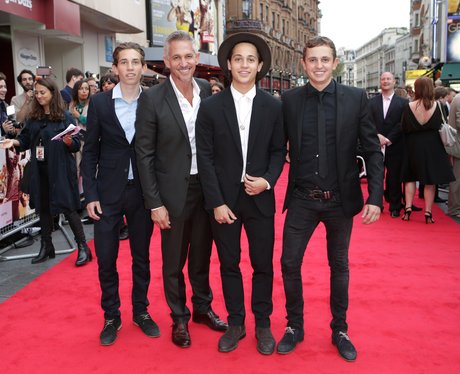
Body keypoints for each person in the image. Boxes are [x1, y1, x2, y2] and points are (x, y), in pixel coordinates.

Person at [278, 36, 384, 361]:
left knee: (339, 266)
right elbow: (272, 145)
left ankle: (340, 329)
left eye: (325, 59)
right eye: (313, 60)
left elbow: (371, 148)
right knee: (288, 263)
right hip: (302, 199)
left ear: (335, 62)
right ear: (303, 63)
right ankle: (294, 326)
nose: (319, 65)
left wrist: (376, 197)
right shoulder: (289, 100)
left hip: (340, 200)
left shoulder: (355, 98)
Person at [135, 30, 227, 349]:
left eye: (189, 56)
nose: (184, 62)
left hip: (207, 189)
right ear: (167, 62)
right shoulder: (152, 98)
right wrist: (154, 203)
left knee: (202, 256)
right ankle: (179, 317)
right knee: (174, 261)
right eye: (177, 57)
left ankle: (202, 308)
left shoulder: (206, 90)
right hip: (173, 193)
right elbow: (143, 154)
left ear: (197, 59)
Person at [196, 33, 285, 355]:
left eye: (250, 59)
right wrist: (216, 202)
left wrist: (268, 181)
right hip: (224, 203)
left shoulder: (274, 107)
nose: (244, 64)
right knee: (229, 264)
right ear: (229, 65)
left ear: (260, 65)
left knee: (263, 264)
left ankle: (262, 322)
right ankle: (236, 322)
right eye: (238, 59)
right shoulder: (210, 107)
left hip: (260, 200)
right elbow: (204, 158)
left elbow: (278, 152)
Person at [81, 42, 156, 346]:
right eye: (123, 62)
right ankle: (111, 315)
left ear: (143, 67)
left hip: (141, 193)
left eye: (135, 62)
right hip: (107, 194)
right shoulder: (99, 103)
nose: (129, 68)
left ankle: (141, 311)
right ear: (115, 68)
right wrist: (90, 194)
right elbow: (89, 154)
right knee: (106, 259)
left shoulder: (152, 102)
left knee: (142, 257)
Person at [0, 77, 92, 266]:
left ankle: (83, 247)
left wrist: (69, 141)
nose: (39, 96)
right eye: (37, 93)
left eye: (43, 92)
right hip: (39, 170)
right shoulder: (33, 117)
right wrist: (13, 142)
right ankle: (47, 246)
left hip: (60, 170)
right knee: (43, 208)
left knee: (68, 207)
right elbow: (24, 140)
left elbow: (75, 144)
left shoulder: (65, 116)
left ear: (52, 93)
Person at [400, 76, 455, 223]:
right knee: (430, 181)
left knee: (410, 178)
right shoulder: (438, 105)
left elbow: (403, 128)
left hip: (412, 145)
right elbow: (442, 125)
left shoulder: (409, 106)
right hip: (433, 146)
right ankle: (428, 212)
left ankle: (408, 209)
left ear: (417, 89)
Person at [369, 72, 408, 218]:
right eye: (383, 78)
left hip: (395, 145)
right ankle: (376, 204)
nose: (385, 81)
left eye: (388, 79)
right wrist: (377, 136)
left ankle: (395, 206)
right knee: (376, 176)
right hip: (375, 144)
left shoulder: (403, 103)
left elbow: (402, 123)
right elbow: (367, 121)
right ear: (380, 81)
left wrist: (389, 139)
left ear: (394, 82)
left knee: (394, 177)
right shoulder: (371, 102)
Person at [447, 92, 460, 217]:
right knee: (457, 178)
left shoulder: (457, 98)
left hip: (457, 144)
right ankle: (454, 208)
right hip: (458, 145)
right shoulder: (459, 99)